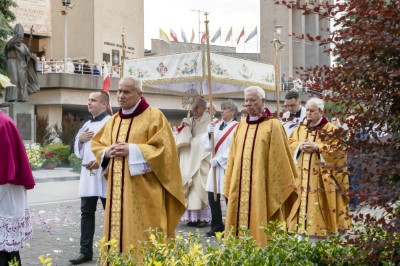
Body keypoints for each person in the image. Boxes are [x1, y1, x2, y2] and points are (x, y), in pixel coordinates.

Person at [91, 76, 185, 258]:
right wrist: (107, 152)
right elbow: (97, 144)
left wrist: (133, 150)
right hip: (117, 194)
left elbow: (165, 152)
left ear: (139, 94)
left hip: (145, 193)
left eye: (126, 92)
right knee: (116, 233)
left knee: (144, 235)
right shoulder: (114, 120)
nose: (120, 95)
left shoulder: (154, 116)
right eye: (118, 91)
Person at [223, 86, 298, 245]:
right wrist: (229, 184)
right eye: (246, 101)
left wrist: (274, 189)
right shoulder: (240, 126)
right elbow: (233, 158)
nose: (248, 104)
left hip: (262, 189)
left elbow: (280, 161)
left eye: (252, 100)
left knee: (261, 224)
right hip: (240, 187)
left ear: (263, 101)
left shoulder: (273, 126)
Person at [287, 98, 350, 237]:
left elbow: (339, 152)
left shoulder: (331, 130)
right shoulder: (300, 129)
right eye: (307, 110)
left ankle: (322, 236)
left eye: (312, 110)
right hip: (302, 179)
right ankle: (301, 234)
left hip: (322, 181)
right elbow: (290, 143)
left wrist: (319, 147)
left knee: (320, 207)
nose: (308, 113)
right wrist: (299, 146)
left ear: (321, 111)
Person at [69, 91, 111, 265]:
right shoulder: (86, 123)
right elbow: (78, 151)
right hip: (88, 176)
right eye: (88, 100)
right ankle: (85, 251)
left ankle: (112, 249)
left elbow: (113, 146)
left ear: (104, 104)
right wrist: (80, 140)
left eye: (93, 100)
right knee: (86, 214)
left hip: (105, 174)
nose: (89, 103)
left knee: (111, 213)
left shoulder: (111, 122)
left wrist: (101, 161)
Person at [0, 111, 35, 265]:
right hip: (5, 197)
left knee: (5, 252)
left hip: (5, 196)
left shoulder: (2, 123)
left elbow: (3, 171)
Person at [201, 100, 239, 237]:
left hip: (226, 165)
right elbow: (208, 146)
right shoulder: (215, 125)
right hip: (215, 165)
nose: (222, 111)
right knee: (213, 196)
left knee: (228, 196)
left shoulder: (237, 127)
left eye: (226, 109)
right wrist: (209, 134)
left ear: (233, 112)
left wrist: (219, 159)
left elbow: (235, 148)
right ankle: (216, 226)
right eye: (222, 109)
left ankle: (232, 226)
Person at [176, 98, 212, 228]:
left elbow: (207, 140)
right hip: (190, 159)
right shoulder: (189, 120)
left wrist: (195, 140)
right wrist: (186, 128)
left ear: (203, 107)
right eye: (193, 107)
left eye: (197, 107)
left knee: (200, 187)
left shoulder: (209, 121)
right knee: (191, 189)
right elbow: (183, 141)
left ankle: (204, 218)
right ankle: (193, 218)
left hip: (202, 158)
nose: (194, 109)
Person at [4, 23, 40, 102]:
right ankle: (12, 97)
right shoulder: (10, 43)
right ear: (16, 35)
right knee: (14, 80)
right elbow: (7, 48)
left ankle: (22, 97)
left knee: (22, 81)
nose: (21, 39)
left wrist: (29, 57)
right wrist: (15, 40)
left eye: (22, 37)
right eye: (20, 37)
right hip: (12, 63)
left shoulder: (24, 46)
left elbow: (28, 56)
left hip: (21, 65)